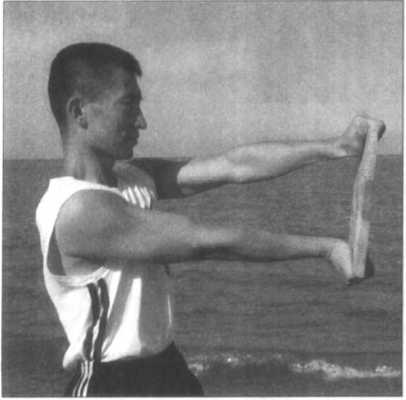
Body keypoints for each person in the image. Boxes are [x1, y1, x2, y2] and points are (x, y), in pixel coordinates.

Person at [36, 42, 385, 397]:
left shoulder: (132, 178)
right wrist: (327, 248)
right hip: (111, 385)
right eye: (129, 104)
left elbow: (235, 165)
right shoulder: (77, 210)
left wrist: (337, 147)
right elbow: (204, 242)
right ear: (79, 111)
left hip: (169, 369)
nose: (142, 121)